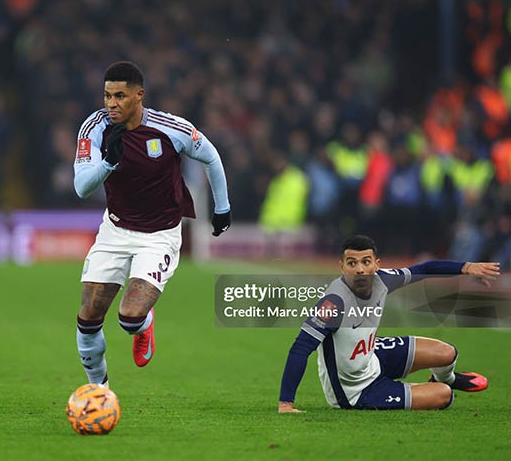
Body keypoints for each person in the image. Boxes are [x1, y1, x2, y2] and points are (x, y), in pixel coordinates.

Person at [73, 61, 231, 385]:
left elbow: (211, 156)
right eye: (106, 96)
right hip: (115, 229)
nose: (111, 104)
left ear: (139, 95)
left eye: (120, 96)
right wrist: (108, 162)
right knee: (88, 316)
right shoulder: (95, 128)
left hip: (159, 236)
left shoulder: (170, 128)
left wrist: (223, 207)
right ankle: (98, 390)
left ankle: (143, 326)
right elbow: (82, 186)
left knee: (129, 317)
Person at [279, 234, 500, 412]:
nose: (360, 269)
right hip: (355, 391)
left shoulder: (383, 280)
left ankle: (448, 378)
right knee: (443, 396)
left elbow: (422, 270)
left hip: (371, 358)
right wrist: (286, 404)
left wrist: (466, 267)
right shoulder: (333, 303)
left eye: (366, 262)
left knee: (447, 353)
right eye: (352, 263)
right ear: (342, 267)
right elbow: (300, 348)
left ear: (376, 264)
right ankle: (431, 388)